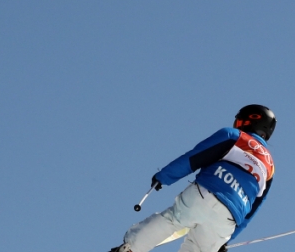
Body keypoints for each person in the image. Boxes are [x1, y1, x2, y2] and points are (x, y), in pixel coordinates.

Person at [109, 104, 277, 252]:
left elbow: (195, 157)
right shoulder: (270, 168)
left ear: (249, 120)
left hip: (206, 192)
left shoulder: (235, 136)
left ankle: (131, 249)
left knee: (173, 219)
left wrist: (164, 176)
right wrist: (227, 239)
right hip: (229, 218)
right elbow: (254, 208)